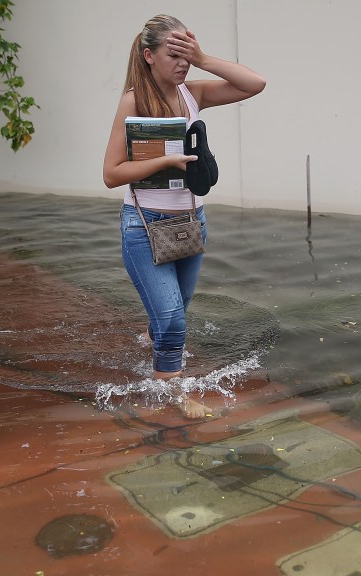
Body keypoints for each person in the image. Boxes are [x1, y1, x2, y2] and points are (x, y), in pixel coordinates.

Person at [102, 15, 265, 418]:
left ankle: (151, 346)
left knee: (175, 312)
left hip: (190, 222)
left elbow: (254, 84)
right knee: (174, 319)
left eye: (186, 55)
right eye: (174, 55)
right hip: (144, 225)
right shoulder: (133, 101)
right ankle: (171, 399)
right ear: (148, 56)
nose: (182, 64)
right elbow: (111, 174)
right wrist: (166, 160)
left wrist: (204, 57)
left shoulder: (193, 93)